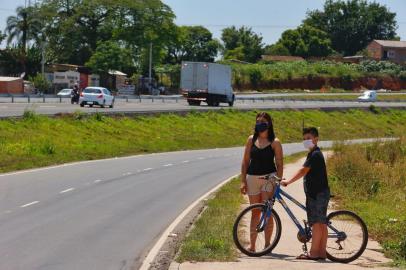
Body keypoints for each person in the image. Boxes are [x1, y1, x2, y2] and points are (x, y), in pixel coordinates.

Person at [281, 127, 330, 261]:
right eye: (304, 139)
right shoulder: (313, 153)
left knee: (316, 224)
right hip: (318, 193)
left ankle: (314, 253)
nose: (306, 141)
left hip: (317, 194)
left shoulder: (315, 155)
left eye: (308, 138)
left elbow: (303, 171)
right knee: (321, 224)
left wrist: (288, 181)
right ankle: (321, 253)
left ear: (316, 139)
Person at [240, 112, 283, 252]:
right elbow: (245, 161)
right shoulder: (251, 140)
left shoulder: (275, 142)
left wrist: (277, 181)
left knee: (267, 211)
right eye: (258, 121)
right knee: (255, 212)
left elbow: (280, 164)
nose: (260, 123)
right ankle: (252, 245)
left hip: (269, 178)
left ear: (269, 123)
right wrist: (242, 181)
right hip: (252, 178)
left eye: (263, 121)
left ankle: (267, 244)